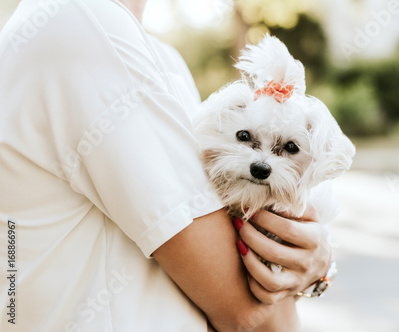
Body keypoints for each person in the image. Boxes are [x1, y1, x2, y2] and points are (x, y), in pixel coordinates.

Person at [0, 0, 333, 331]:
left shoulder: (158, 53)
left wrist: (308, 271)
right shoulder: (87, 25)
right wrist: (299, 273)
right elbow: (245, 311)